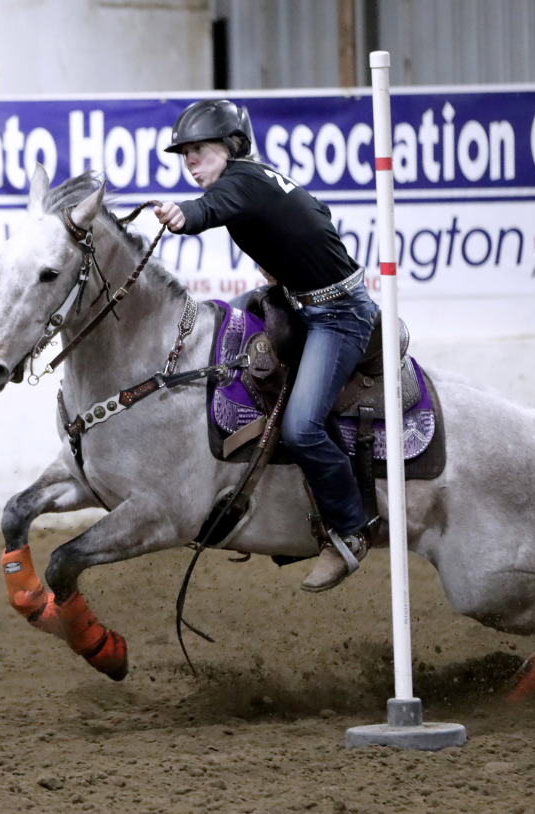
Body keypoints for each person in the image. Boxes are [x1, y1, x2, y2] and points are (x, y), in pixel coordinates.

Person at [156, 99, 379, 593]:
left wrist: (183, 214)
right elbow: (314, 216)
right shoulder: (255, 180)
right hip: (302, 301)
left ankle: (349, 531)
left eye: (199, 150)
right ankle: (245, 499)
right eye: (184, 154)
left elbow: (208, 209)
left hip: (338, 316)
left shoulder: (240, 181)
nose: (190, 161)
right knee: (217, 339)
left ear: (231, 146)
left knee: (301, 428)